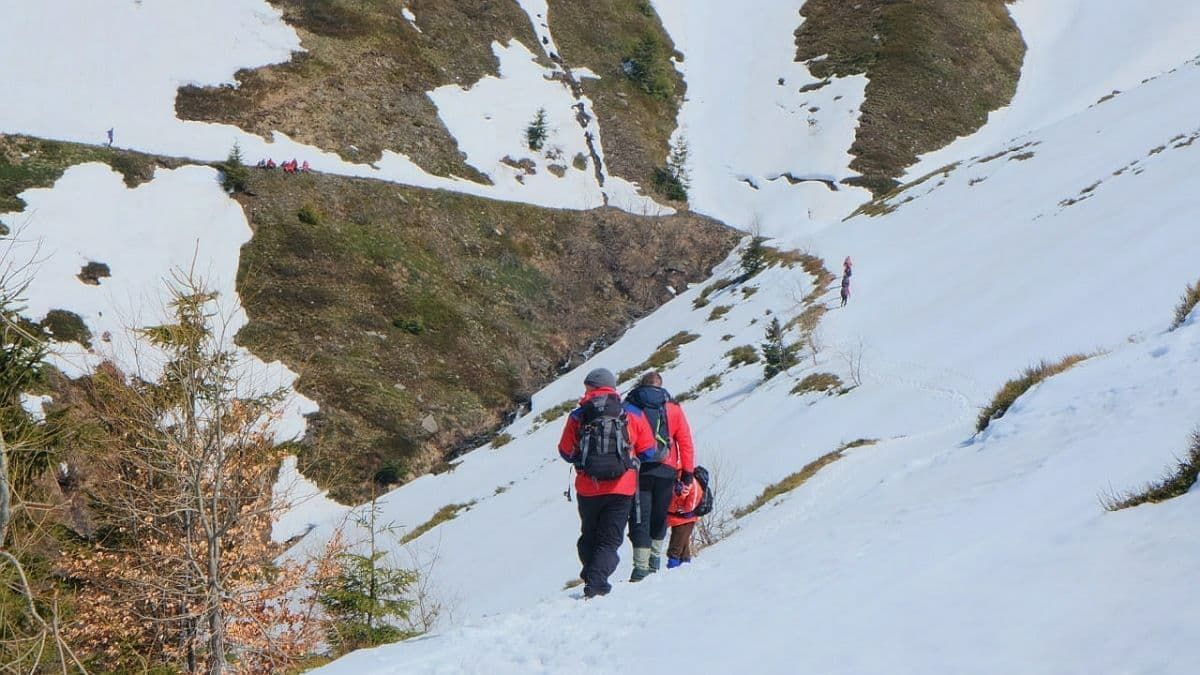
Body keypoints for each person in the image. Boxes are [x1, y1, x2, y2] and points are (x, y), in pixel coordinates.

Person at [558, 368, 655, 598]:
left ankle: (593, 576)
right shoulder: (629, 413)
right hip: (621, 487)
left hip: (588, 488)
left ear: (591, 387)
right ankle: (597, 581)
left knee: (589, 535)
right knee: (609, 540)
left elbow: (564, 451)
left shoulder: (579, 415)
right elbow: (649, 450)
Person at [623, 371, 695, 581]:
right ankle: (655, 558)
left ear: (641, 385)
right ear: (661, 386)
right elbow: (685, 441)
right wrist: (688, 473)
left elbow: (626, 439)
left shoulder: (631, 406)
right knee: (660, 515)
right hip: (667, 469)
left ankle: (640, 568)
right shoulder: (672, 407)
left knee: (640, 517)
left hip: (639, 469)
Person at [666, 471, 705, 568]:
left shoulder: (688, 480)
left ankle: (673, 566)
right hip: (677, 518)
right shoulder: (675, 479)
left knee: (676, 545)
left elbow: (695, 495)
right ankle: (685, 565)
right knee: (683, 544)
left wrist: (686, 510)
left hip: (685, 518)